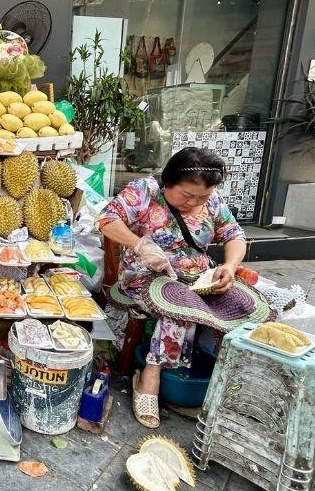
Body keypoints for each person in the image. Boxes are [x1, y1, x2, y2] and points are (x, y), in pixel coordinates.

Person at [98, 147, 272, 428]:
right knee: (181, 307)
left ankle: (222, 379)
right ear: (168, 182)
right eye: (187, 195)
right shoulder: (144, 190)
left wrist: (229, 266)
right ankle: (149, 378)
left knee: (245, 303)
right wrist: (140, 245)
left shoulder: (212, 201)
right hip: (144, 275)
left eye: (202, 197)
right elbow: (107, 220)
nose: (194, 203)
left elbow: (234, 234)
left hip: (197, 278)